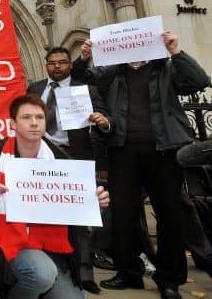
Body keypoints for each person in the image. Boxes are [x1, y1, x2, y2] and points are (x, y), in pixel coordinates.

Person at [71, 31, 211, 299]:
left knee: (169, 216)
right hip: (123, 151)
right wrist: (84, 57)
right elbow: (81, 77)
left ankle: (169, 279)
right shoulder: (113, 73)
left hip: (163, 152)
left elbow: (198, 81)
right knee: (123, 215)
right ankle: (128, 272)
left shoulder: (167, 69)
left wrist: (175, 51)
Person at [0, 94, 110, 299]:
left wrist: (95, 202)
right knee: (42, 275)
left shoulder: (58, 157)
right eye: (26, 118)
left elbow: (75, 200)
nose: (34, 123)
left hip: (51, 245)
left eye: (39, 117)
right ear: (13, 124)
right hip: (8, 242)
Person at [27, 46, 111, 294]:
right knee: (42, 212)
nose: (57, 66)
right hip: (39, 156)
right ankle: (48, 267)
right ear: (46, 65)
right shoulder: (34, 89)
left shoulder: (85, 90)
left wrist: (103, 122)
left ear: (70, 64)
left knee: (78, 217)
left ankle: (84, 274)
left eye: (62, 62)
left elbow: (105, 118)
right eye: (52, 62)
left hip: (73, 155)